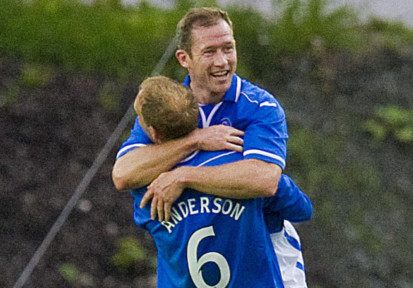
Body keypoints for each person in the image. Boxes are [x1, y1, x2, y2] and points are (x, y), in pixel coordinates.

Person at [111, 7, 309, 287]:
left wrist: (182, 176)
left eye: (228, 48)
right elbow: (123, 174)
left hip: (265, 259)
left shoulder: (260, 106)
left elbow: (263, 179)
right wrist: (195, 140)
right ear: (184, 58)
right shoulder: (170, 109)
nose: (222, 61)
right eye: (209, 51)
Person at [125, 75, 312, 287]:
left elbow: (126, 178)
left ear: (154, 134)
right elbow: (301, 209)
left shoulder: (148, 191)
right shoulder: (243, 170)